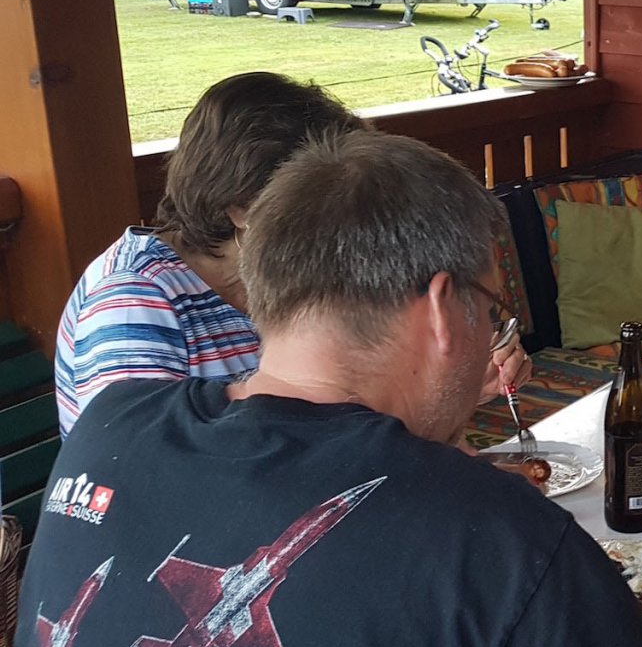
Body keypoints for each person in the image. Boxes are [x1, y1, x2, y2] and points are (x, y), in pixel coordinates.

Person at [17, 128, 642, 647]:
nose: (493, 335)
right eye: (492, 309)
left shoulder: (111, 422)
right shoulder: (495, 538)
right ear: (444, 310)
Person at [52, 72, 525, 438]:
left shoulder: (307, 272)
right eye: (317, 194)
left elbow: (347, 414)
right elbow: (149, 479)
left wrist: (449, 380)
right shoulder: (134, 301)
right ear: (242, 207)